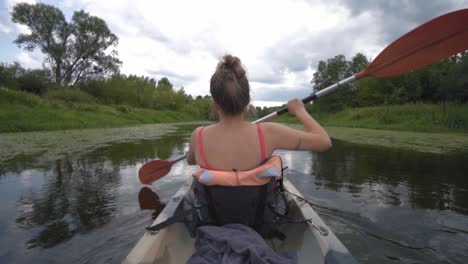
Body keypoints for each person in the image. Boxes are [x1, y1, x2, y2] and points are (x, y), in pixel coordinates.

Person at [186, 54, 331, 170]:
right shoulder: (269, 133)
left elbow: (191, 161)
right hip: (256, 207)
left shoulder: (197, 136)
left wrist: (190, 153)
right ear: (248, 101)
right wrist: (300, 111)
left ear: (215, 104)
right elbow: (324, 142)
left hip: (212, 207)